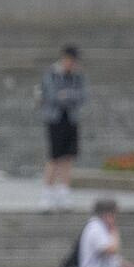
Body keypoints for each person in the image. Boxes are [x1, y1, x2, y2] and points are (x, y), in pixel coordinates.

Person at [39, 46, 86, 211]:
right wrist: (67, 96)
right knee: (54, 157)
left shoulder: (77, 76)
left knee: (68, 157)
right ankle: (47, 193)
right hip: (55, 119)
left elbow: (82, 96)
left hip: (71, 119)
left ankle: (63, 192)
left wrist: (66, 95)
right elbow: (52, 95)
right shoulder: (52, 74)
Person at [76, 198, 134, 267]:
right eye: (115, 214)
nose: (116, 218)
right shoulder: (95, 228)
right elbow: (111, 250)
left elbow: (113, 259)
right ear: (108, 214)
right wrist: (114, 230)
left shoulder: (102, 228)